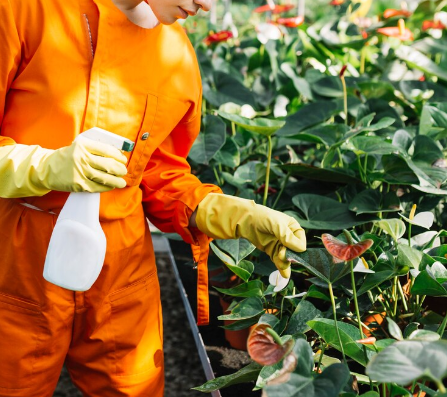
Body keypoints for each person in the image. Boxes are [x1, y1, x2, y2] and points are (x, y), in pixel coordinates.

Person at [0, 0, 306, 396]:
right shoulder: (25, 11)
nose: (206, 5)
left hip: (123, 270)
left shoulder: (175, 54)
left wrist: (223, 211)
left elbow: (159, 174)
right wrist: (39, 166)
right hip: (16, 258)